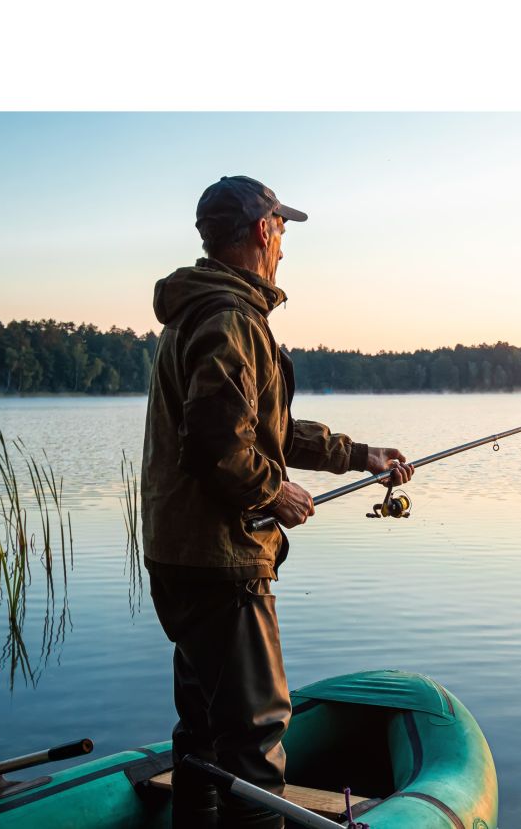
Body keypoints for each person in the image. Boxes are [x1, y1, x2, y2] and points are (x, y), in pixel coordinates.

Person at [141, 175, 414, 828]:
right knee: (255, 749)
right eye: (282, 231)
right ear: (263, 231)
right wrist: (274, 490)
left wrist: (360, 455)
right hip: (223, 563)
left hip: (183, 558)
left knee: (202, 735)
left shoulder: (204, 312)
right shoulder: (232, 320)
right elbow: (218, 447)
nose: (285, 248)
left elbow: (262, 428)